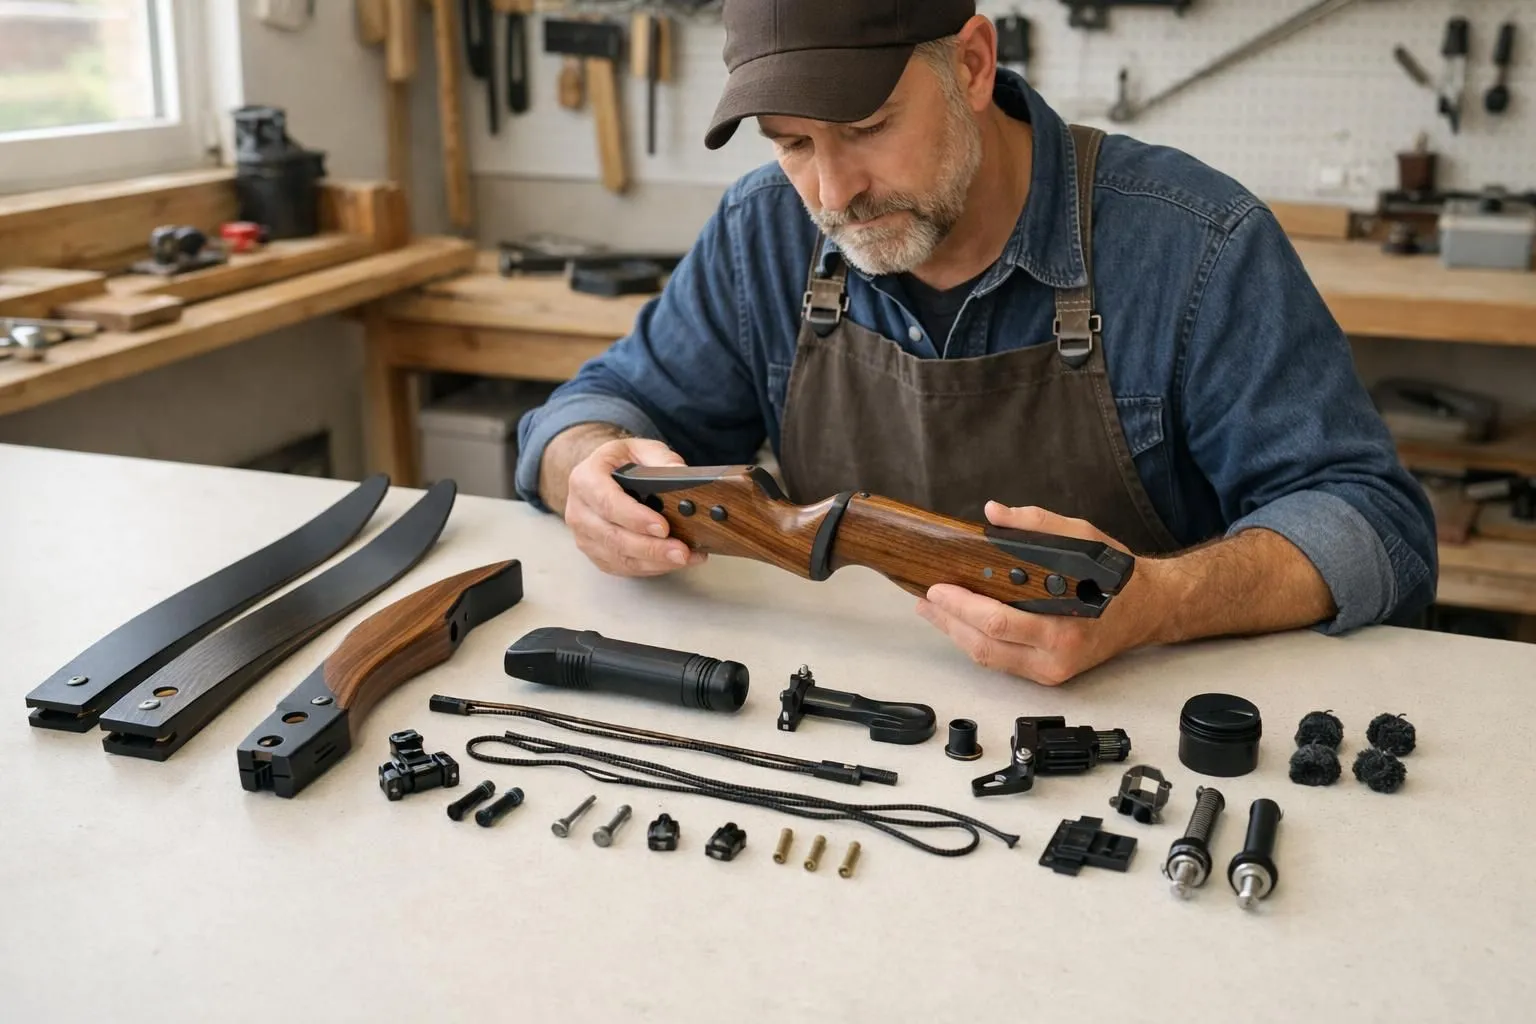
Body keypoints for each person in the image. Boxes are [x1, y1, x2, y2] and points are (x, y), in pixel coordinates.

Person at [513, 0, 1437, 686]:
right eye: (792, 143)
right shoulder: (767, 233)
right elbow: (597, 409)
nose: (833, 194)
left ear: (973, 62)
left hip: (1131, 733)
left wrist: (1158, 604)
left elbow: (1373, 526)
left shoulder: (1195, 243)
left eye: (866, 128)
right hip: (852, 713)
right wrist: (582, 470)